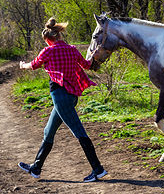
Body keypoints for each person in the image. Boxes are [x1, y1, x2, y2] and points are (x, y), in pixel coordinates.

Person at [18, 17, 107, 182]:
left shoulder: (48, 51)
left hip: (60, 97)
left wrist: (22, 65)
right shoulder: (72, 49)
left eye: (46, 42)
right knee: (49, 131)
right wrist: (94, 56)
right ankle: (36, 168)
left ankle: (98, 169)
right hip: (71, 96)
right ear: (59, 35)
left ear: (48, 40)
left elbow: (33, 65)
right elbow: (87, 65)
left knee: (79, 132)